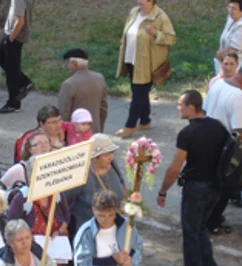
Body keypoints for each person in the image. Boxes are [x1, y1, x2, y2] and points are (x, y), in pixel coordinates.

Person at [157, 90, 225, 266]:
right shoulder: (218, 127)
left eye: (180, 105)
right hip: (216, 188)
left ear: (191, 108)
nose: (178, 108)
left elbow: (174, 168)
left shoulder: (187, 134)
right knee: (201, 227)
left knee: (191, 234)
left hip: (196, 188)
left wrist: (163, 191)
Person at [204, 61, 242, 233]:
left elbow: (206, 109)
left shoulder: (217, 85)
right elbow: (241, 132)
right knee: (225, 185)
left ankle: (206, 215)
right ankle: (212, 222)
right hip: (226, 149)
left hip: (208, 141)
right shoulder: (239, 98)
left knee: (210, 183)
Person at [115, 0, 175, 138]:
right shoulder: (134, 12)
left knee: (138, 95)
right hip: (131, 60)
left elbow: (171, 38)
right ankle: (145, 120)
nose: (138, 1)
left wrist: (155, 33)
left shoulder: (160, 16)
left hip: (147, 63)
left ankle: (129, 126)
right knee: (140, 92)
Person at [64, 134, 126, 230]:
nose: (110, 157)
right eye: (106, 154)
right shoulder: (82, 174)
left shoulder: (113, 163)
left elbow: (123, 186)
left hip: (114, 226)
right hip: (89, 229)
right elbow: (64, 198)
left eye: (111, 152)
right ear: (94, 157)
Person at [7, 163, 70, 237]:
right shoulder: (22, 198)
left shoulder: (56, 194)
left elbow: (66, 218)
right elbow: (12, 227)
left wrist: (59, 232)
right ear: (30, 178)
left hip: (56, 243)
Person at [0, 0, 34, 114]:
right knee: (0, 56)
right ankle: (24, 82)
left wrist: (11, 38)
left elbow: (20, 21)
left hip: (15, 36)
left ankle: (13, 103)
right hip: (13, 35)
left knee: (11, 70)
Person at [58, 48, 108, 133]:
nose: (68, 66)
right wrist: (100, 129)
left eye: (69, 63)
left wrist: (62, 132)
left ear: (74, 63)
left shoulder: (68, 84)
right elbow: (103, 108)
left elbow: (64, 113)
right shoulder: (99, 78)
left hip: (75, 134)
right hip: (95, 131)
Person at [214, 0, 242, 74]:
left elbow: (234, 48)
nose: (230, 11)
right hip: (226, 63)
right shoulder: (230, 19)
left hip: (240, 67)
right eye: (229, 7)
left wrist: (219, 54)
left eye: (234, 9)